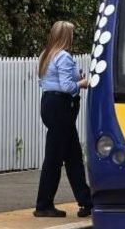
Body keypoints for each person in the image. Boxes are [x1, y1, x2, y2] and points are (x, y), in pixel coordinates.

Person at [35, 21, 93, 218]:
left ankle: (87, 201)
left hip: (49, 103)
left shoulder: (46, 55)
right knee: (55, 158)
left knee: (73, 156)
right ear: (67, 36)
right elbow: (67, 86)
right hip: (61, 107)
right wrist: (83, 83)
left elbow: (47, 82)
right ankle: (43, 205)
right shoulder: (64, 57)